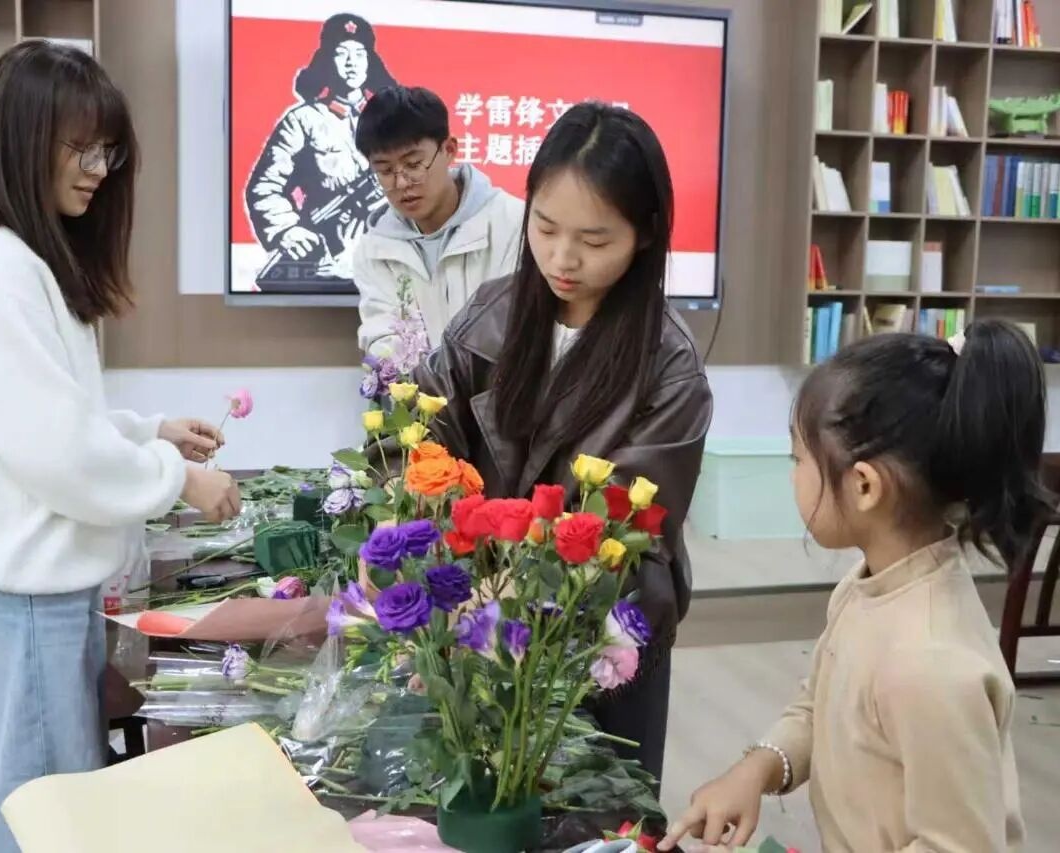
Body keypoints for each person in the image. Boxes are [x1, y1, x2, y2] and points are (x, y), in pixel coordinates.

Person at [0, 42, 240, 853]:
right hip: (28, 591)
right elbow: (56, 452)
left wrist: (150, 432)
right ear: (25, 138)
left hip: (33, 587)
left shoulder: (11, 255)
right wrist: (179, 478)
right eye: (81, 148)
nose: (99, 170)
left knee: (48, 795)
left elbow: (54, 416)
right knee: (46, 808)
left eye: (108, 151)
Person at [660, 323, 1047, 852]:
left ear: (864, 485)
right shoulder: (869, 585)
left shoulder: (930, 665)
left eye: (798, 459)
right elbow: (818, 707)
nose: (793, 474)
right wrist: (757, 769)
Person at [413, 102, 713, 784]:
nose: (562, 258)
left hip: (596, 635)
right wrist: (408, 537)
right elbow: (422, 438)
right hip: (474, 616)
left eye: (594, 240)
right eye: (545, 228)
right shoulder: (492, 313)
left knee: (590, 808)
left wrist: (509, 591)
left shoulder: (669, 368)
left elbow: (624, 533)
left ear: (645, 235)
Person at [353, 85, 524, 358]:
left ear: (449, 149)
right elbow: (383, 336)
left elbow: (515, 331)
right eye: (385, 170)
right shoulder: (374, 250)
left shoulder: (513, 223)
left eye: (413, 164)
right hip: (418, 386)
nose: (401, 182)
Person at [245, 13, 398, 290]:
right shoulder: (302, 120)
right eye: (341, 54)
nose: (351, 62)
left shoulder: (393, 119)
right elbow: (265, 186)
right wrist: (286, 229)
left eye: (360, 54)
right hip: (327, 263)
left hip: (386, 262)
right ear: (327, 61)